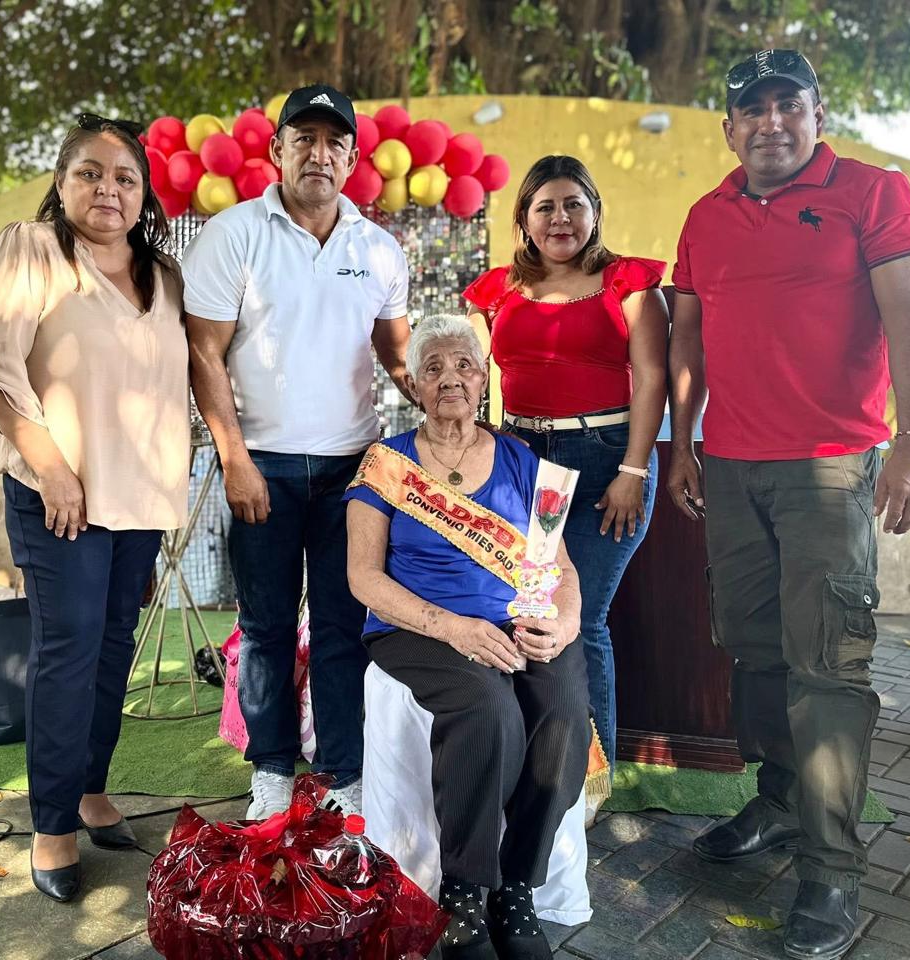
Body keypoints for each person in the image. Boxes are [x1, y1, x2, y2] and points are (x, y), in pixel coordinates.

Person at [667, 50, 910, 960]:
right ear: (729, 128)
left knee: (827, 666)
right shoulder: (706, 215)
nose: (771, 123)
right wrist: (683, 442)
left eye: (789, 105)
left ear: (819, 115)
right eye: (753, 110)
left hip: (828, 469)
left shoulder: (873, 193)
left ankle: (832, 871)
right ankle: (781, 802)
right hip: (731, 465)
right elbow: (690, 341)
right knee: (755, 651)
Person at [0, 113, 189, 903]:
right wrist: (53, 470)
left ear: (144, 195)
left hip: (136, 501)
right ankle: (52, 826)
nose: (107, 189)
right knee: (69, 648)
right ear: (61, 183)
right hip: (57, 494)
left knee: (113, 646)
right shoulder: (30, 251)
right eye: (90, 173)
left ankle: (90, 789)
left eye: (125, 178)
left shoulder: (164, 275)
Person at [182, 83, 411, 820]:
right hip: (263, 469)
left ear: (353, 158)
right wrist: (234, 459)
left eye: (334, 142)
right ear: (277, 150)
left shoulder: (379, 249)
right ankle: (273, 772)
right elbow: (203, 354)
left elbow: (397, 356)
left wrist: (455, 400)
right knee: (267, 627)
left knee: (344, 627)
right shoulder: (234, 234)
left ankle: (344, 775)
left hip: (354, 473)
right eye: (303, 139)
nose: (319, 154)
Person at [345, 315, 589, 960]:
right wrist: (454, 628)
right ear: (413, 386)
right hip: (417, 626)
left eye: (464, 366)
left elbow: (560, 568)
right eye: (433, 368)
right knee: (488, 708)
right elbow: (363, 578)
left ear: (484, 380)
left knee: (564, 708)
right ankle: (464, 891)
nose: (450, 378)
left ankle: (518, 886)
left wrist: (563, 624)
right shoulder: (385, 464)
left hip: (517, 620)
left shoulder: (524, 461)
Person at [464, 155, 670, 801]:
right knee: (528, 613)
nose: (560, 218)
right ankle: (536, 765)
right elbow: (481, 377)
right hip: (527, 468)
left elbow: (653, 381)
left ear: (595, 212)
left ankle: (589, 783)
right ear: (524, 219)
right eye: (545, 206)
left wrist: (633, 470)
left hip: (606, 463)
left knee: (582, 618)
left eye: (573, 204)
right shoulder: (497, 292)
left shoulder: (627, 284)